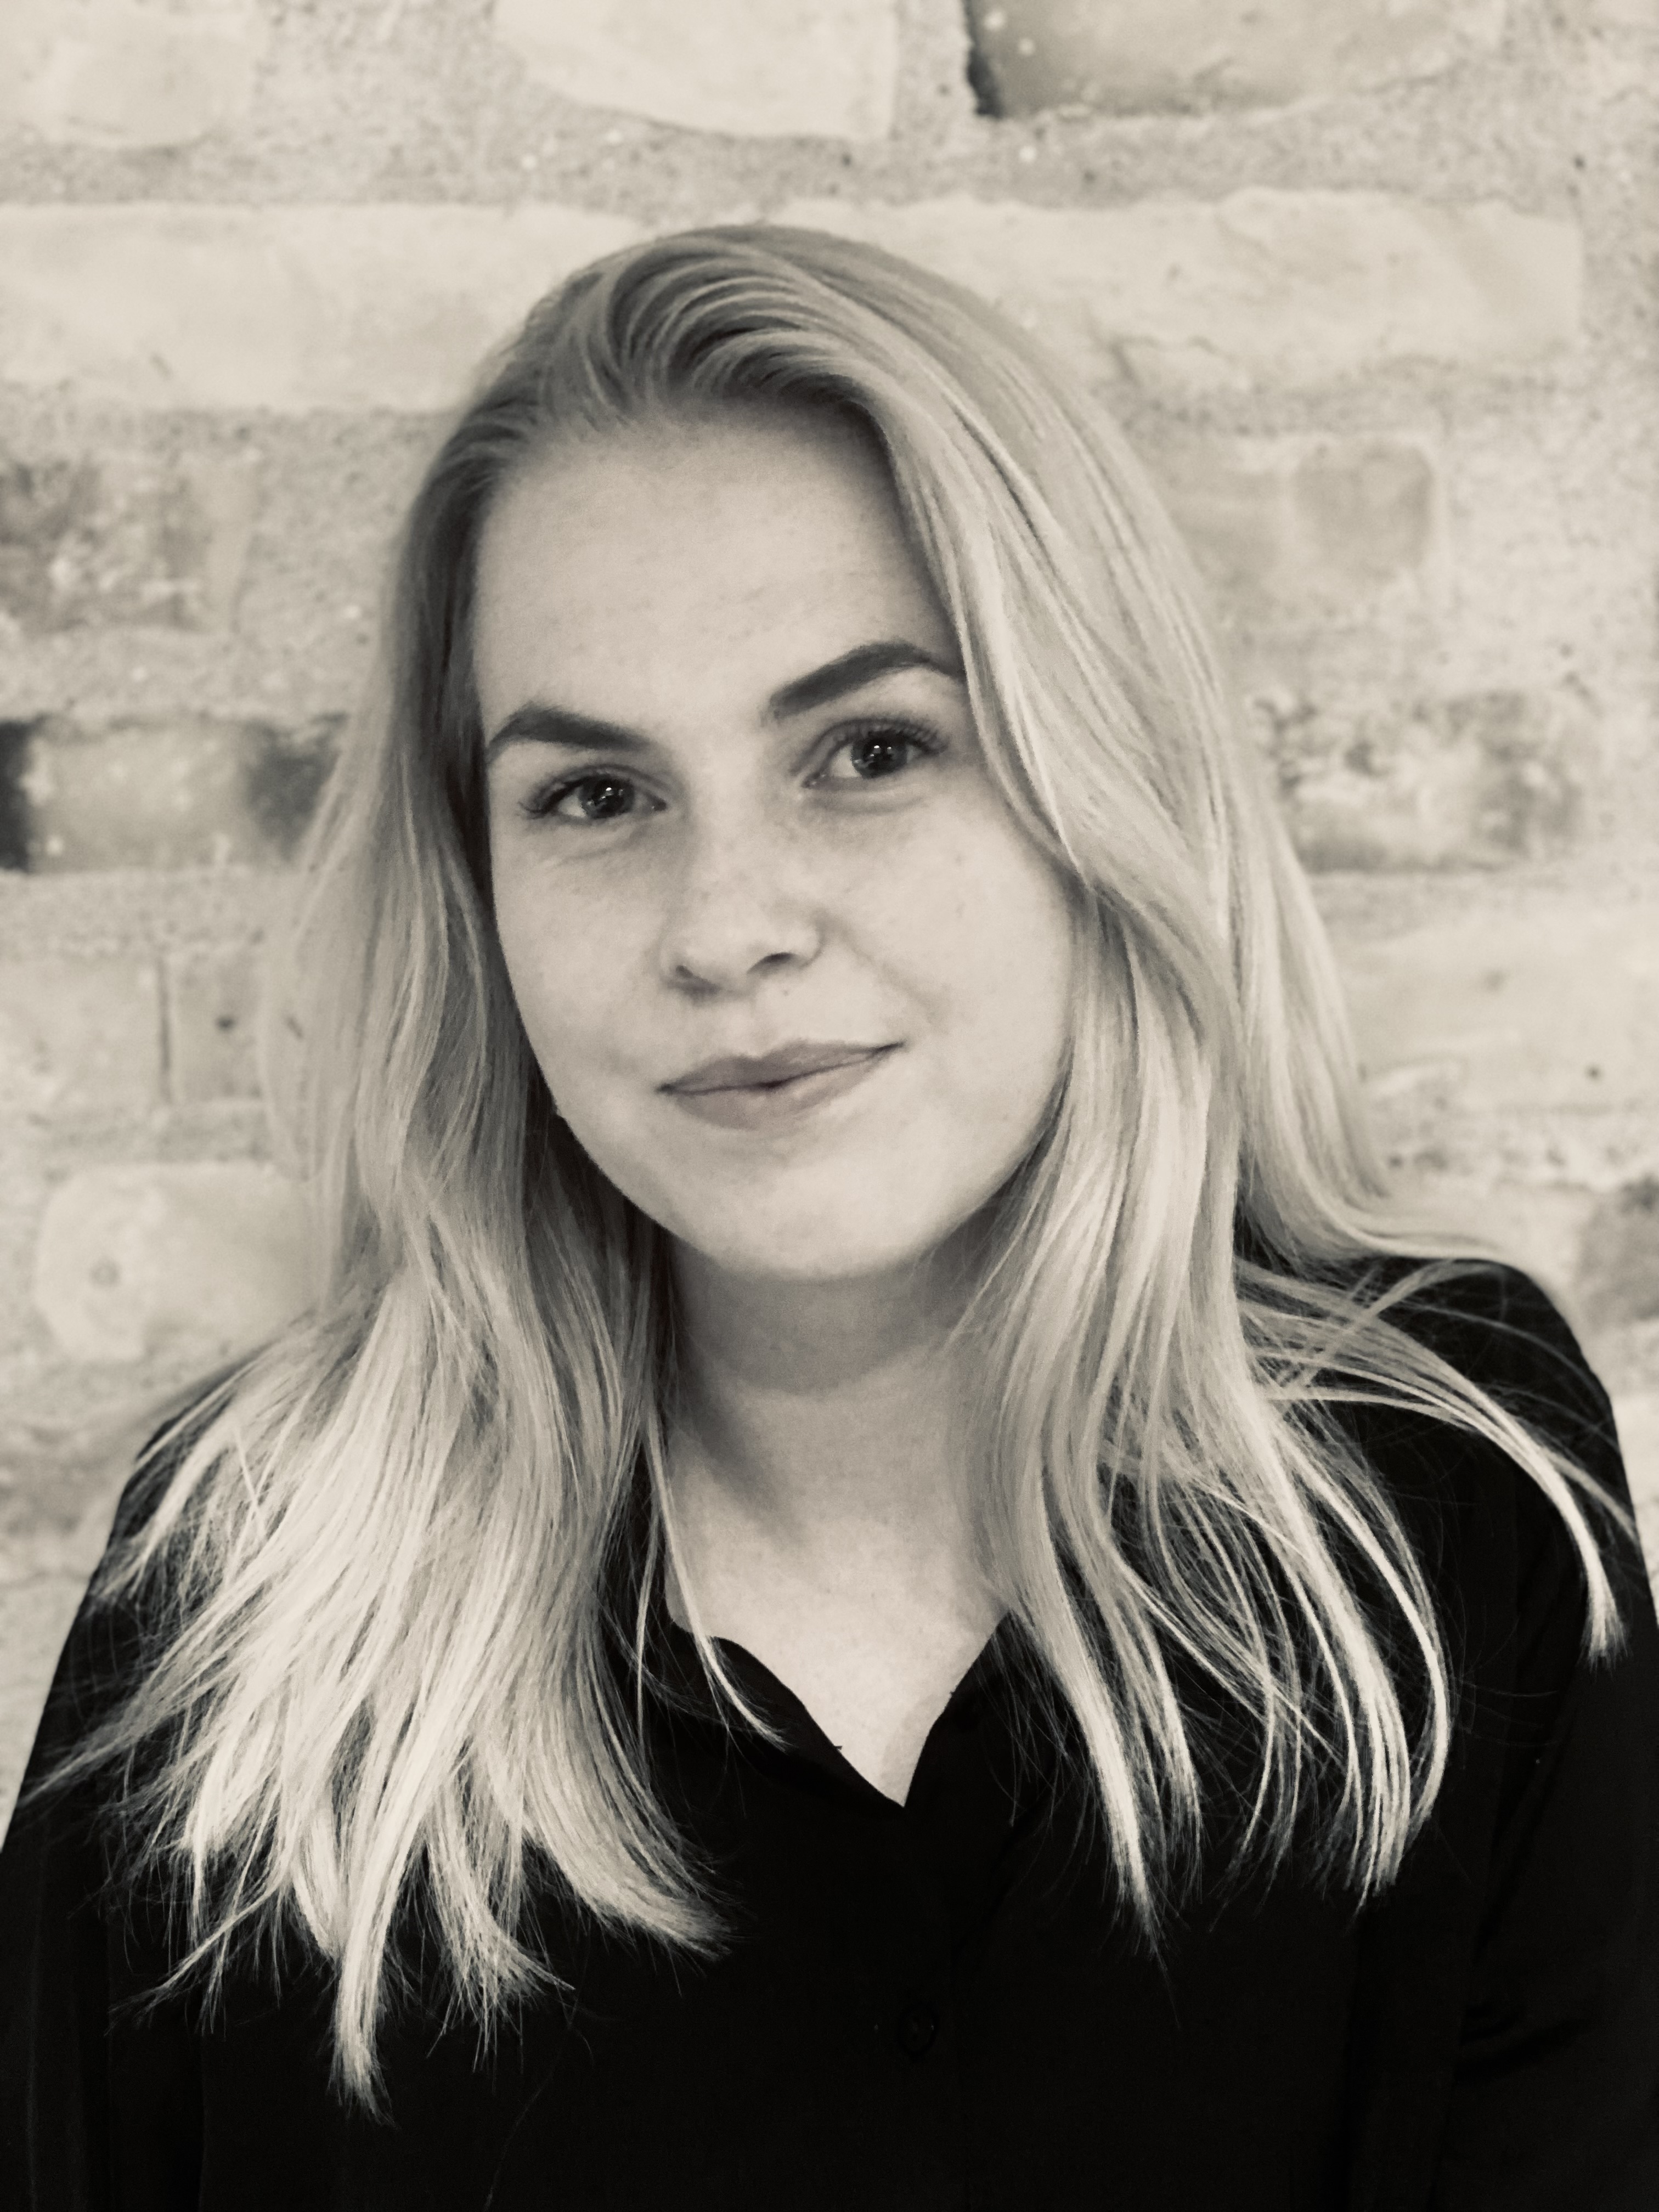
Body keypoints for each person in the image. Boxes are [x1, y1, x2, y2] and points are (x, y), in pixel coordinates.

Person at [1, 224, 1655, 2211]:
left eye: (872, 752)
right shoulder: (250, 1593)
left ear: (1099, 789)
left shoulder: (1440, 1495)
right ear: (479, 892)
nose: (726, 929)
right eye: (596, 796)